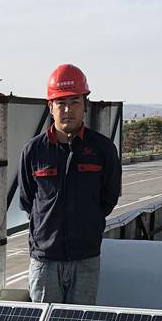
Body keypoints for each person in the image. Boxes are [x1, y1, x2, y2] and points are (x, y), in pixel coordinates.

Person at [18, 64, 122, 305]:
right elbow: (27, 200)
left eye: (74, 102)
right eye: (61, 103)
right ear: (50, 107)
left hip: (86, 259)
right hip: (45, 261)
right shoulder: (34, 151)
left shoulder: (103, 149)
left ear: (85, 105)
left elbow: (108, 198)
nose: (67, 109)